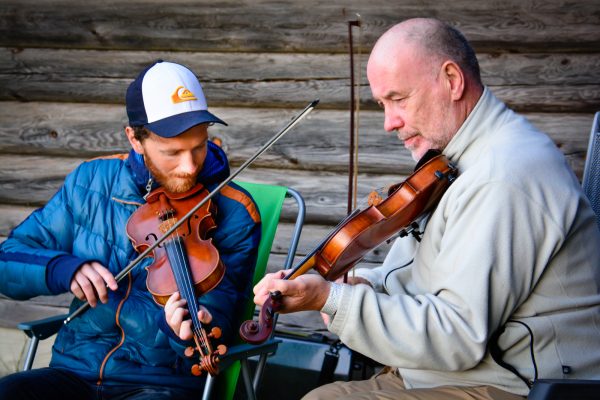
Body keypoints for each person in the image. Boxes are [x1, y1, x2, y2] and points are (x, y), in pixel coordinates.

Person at [253, 18, 600, 400]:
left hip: (515, 385)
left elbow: (458, 334)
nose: (389, 123)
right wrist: (366, 283)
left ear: (451, 80)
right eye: (383, 105)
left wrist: (330, 299)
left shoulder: (503, 175)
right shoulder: (457, 162)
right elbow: (427, 278)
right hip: (449, 374)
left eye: (399, 99)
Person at [0, 60, 261, 399]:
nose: (190, 166)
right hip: (74, 371)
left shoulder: (233, 210)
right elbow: (7, 261)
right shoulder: (90, 182)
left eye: (199, 146)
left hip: (160, 384)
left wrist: (187, 328)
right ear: (135, 139)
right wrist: (62, 268)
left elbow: (223, 313)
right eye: (172, 152)